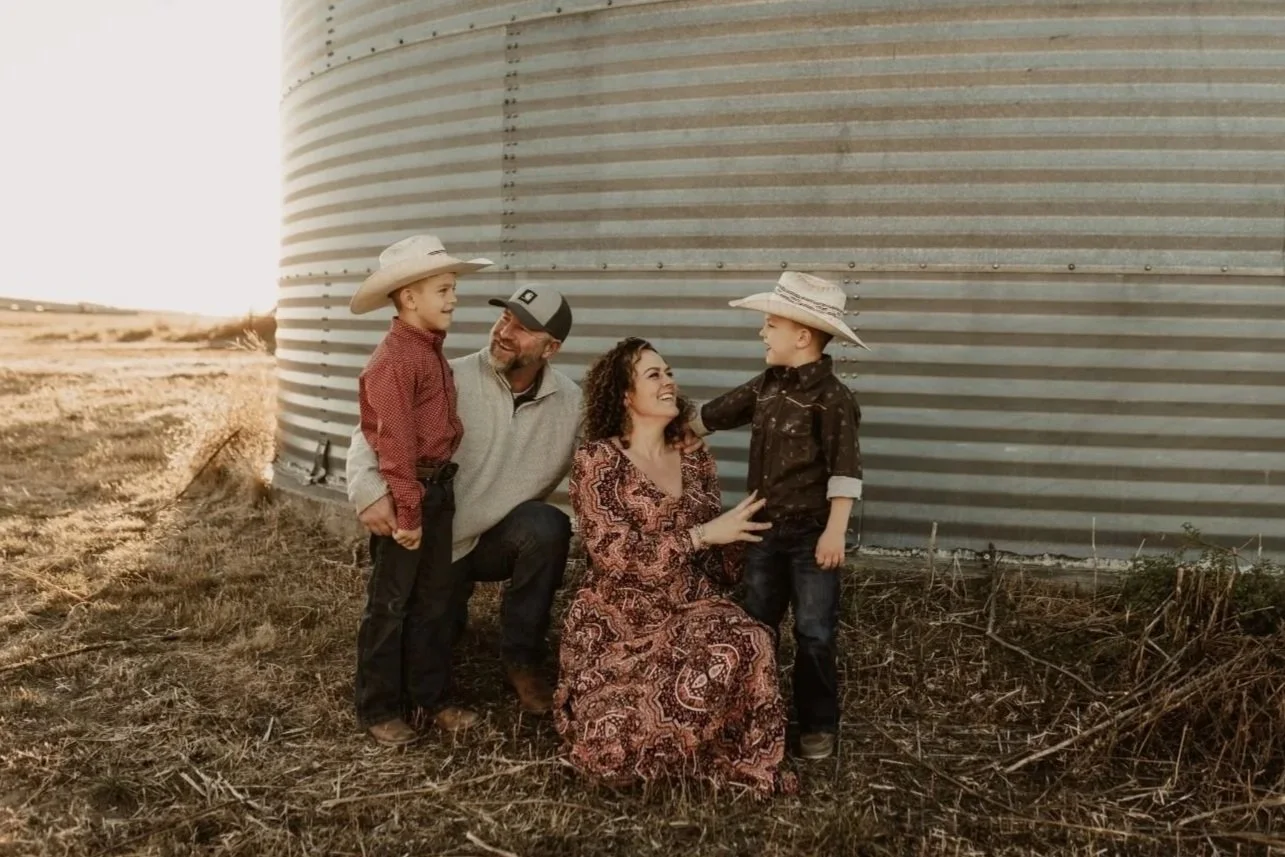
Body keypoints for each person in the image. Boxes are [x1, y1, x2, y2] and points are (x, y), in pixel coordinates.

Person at [554, 337, 796, 795]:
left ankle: (716, 756)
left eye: (669, 373)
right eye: (654, 375)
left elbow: (721, 566)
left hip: (690, 602)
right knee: (610, 744)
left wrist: (755, 529)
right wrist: (702, 534)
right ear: (625, 395)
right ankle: (659, 753)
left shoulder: (694, 455)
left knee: (749, 641)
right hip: (618, 618)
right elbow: (613, 556)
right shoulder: (597, 461)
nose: (669, 382)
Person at [346, 277, 580, 717]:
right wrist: (369, 489)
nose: (504, 331)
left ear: (550, 349)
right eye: (504, 317)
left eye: (523, 328)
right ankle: (388, 700)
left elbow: (625, 438)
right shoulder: (449, 374)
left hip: (494, 539)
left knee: (547, 526)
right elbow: (372, 429)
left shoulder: (571, 404)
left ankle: (522, 659)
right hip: (434, 536)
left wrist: (692, 430)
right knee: (428, 628)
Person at [691, 271, 869, 761]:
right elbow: (721, 410)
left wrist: (835, 531)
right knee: (757, 620)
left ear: (802, 336)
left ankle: (817, 722)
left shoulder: (833, 400)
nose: (762, 333)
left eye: (770, 325)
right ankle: (755, 710)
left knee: (814, 630)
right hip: (764, 533)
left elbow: (845, 472)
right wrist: (684, 427)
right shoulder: (768, 386)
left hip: (812, 537)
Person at [347, 234, 493, 746]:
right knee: (391, 602)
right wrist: (407, 511)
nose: (453, 299)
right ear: (409, 297)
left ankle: (429, 697)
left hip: (439, 492)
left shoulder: (430, 352)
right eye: (444, 290)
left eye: (452, 289)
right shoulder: (393, 361)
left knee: (435, 598)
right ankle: (379, 706)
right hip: (412, 492)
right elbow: (395, 446)